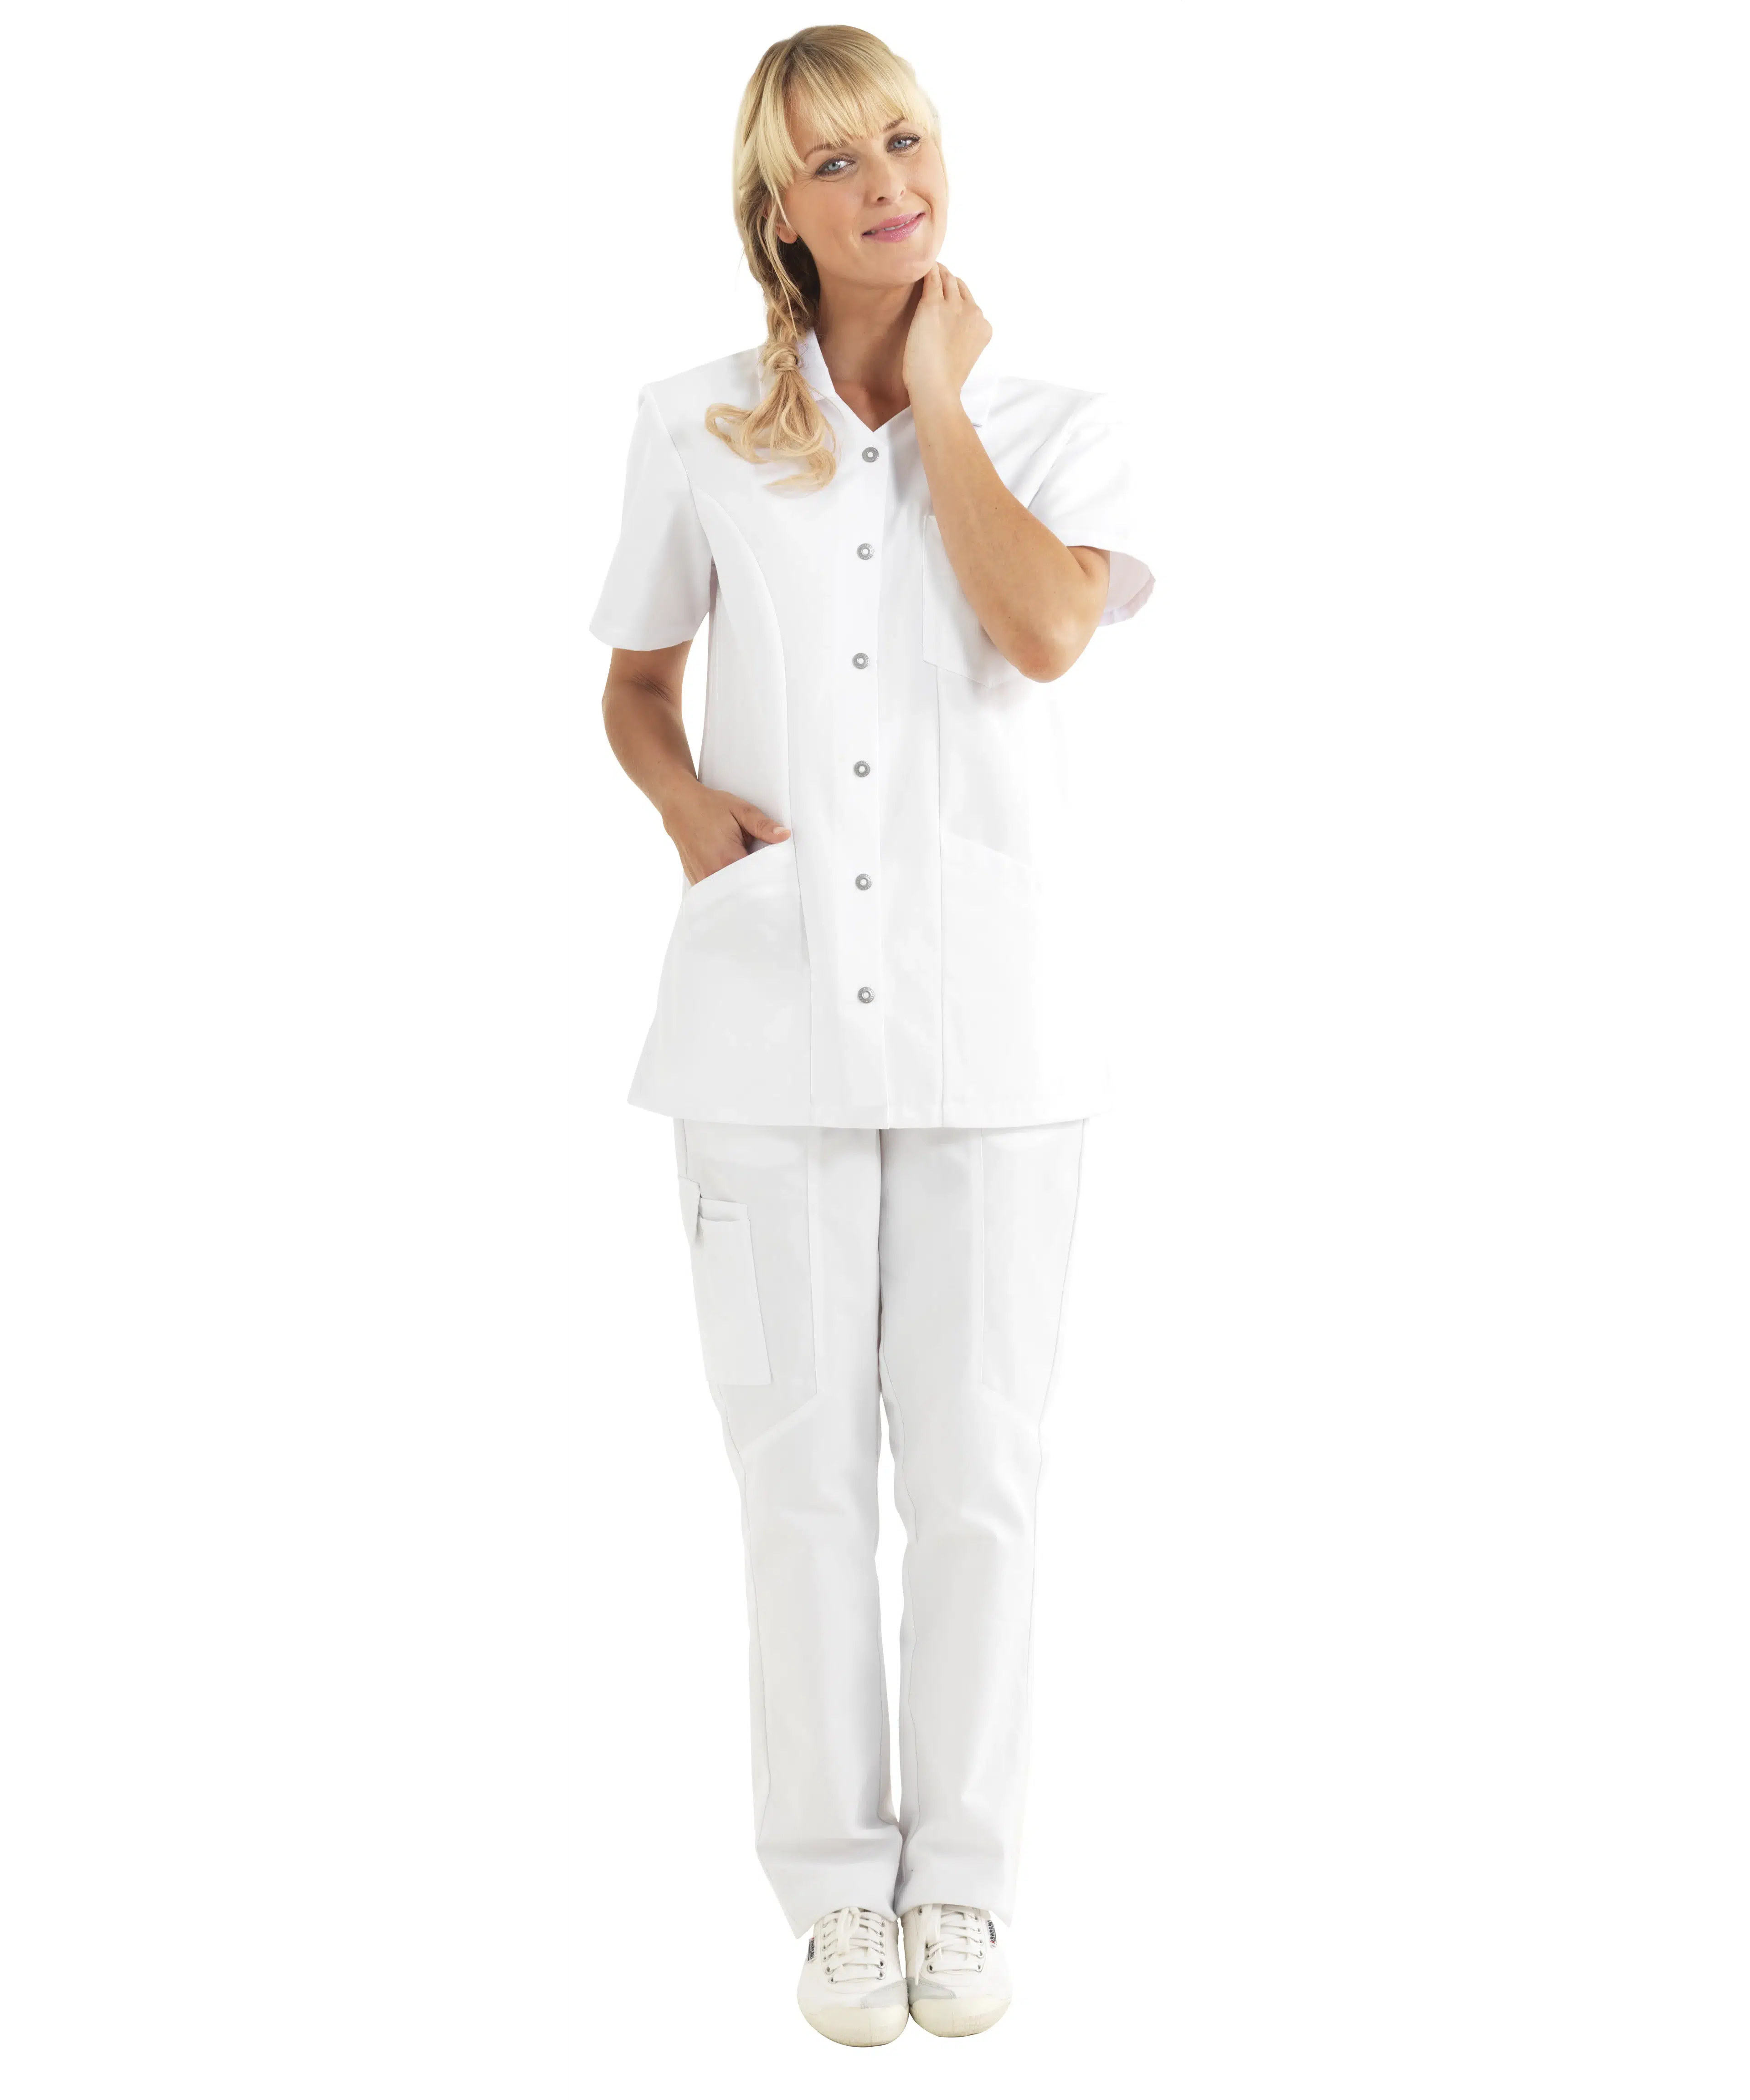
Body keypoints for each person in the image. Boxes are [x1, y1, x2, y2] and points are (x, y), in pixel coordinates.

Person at [589, 26, 1155, 2047]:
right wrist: (685, 813)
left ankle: (965, 1885)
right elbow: (636, 680)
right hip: (761, 1041)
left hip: (1001, 1042)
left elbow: (1046, 632)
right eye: (835, 160)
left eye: (905, 139)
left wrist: (938, 398)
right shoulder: (687, 425)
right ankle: (839, 1896)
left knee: (983, 1476)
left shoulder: (1062, 423)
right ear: (780, 206)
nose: (886, 181)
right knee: (799, 1481)